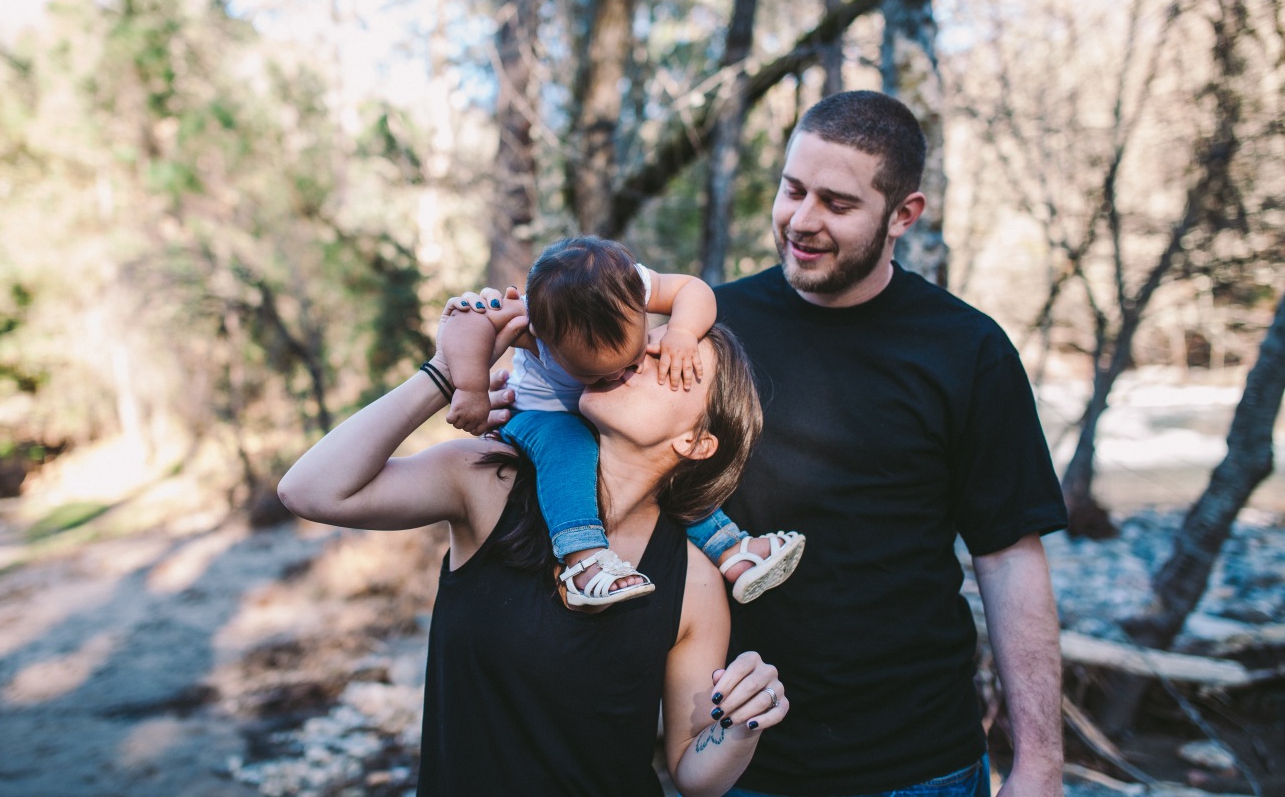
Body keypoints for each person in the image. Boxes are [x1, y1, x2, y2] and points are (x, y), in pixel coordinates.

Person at [277, 303, 790, 796]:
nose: (642, 356)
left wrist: (743, 720)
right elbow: (311, 490)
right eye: (648, 342)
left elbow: (694, 775)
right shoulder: (490, 482)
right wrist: (449, 370)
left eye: (675, 363)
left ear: (696, 442)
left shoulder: (695, 576)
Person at [715, 90, 1068, 796]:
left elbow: (1007, 560)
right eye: (792, 190)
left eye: (838, 205)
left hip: (920, 764)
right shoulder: (714, 324)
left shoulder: (966, 350)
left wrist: (1040, 763)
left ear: (904, 214)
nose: (802, 221)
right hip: (736, 760)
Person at [442, 235, 804, 609]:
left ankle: (730, 548)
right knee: (569, 444)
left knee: (661, 469)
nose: (627, 372)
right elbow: (466, 322)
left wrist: (681, 330)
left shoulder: (628, 285)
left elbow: (692, 289)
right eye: (599, 373)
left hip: (586, 419)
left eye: (634, 356)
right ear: (544, 336)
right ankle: (582, 558)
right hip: (535, 417)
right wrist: (470, 388)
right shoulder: (534, 318)